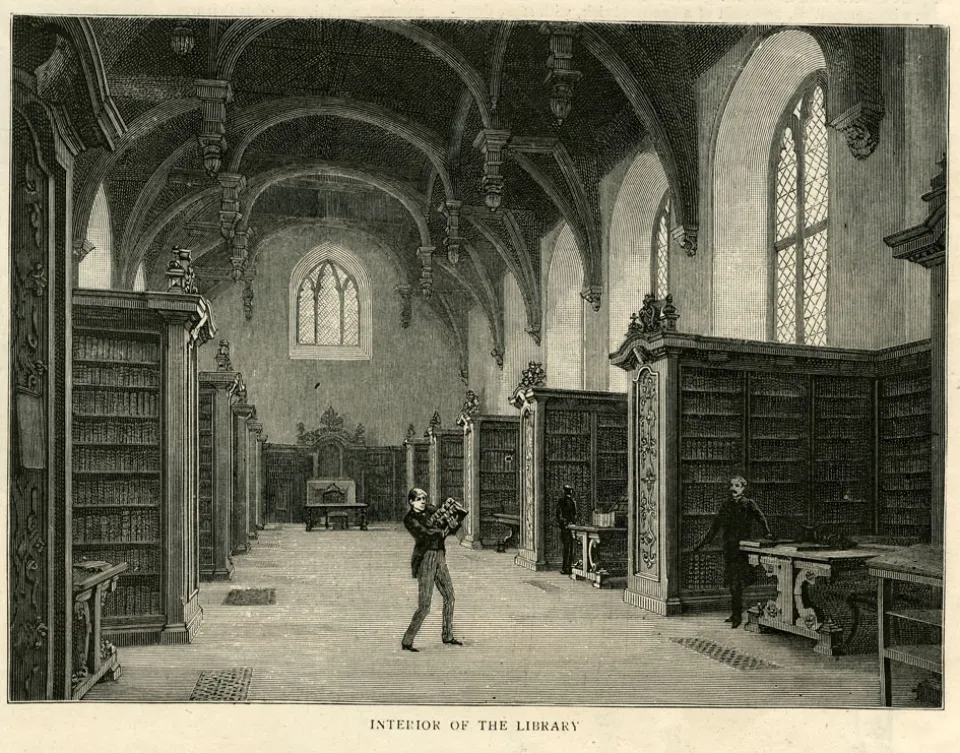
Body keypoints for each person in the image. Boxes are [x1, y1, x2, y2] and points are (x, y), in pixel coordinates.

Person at [692, 476, 772, 628]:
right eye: (731, 485)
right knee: (732, 583)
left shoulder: (748, 504)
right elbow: (716, 525)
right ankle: (735, 614)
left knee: (737, 583)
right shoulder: (726, 505)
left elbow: (761, 518)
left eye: (737, 485)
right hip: (729, 548)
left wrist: (767, 532)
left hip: (742, 548)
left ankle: (737, 617)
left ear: (743, 488)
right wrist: (704, 542)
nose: (733, 488)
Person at [401, 488, 463, 652]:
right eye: (419, 499)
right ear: (411, 502)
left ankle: (448, 635)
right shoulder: (409, 519)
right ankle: (407, 640)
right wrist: (443, 529)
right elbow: (426, 534)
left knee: (450, 596)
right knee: (425, 605)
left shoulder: (430, 509)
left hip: (440, 556)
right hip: (425, 559)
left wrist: (454, 523)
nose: (423, 501)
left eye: (424, 498)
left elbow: (449, 528)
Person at [556, 484, 578, 575]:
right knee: (568, 548)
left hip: (569, 526)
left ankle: (568, 567)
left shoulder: (571, 501)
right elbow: (559, 514)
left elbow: (573, 514)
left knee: (569, 548)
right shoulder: (566, 501)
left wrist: (568, 522)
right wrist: (565, 522)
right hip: (567, 526)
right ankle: (566, 568)